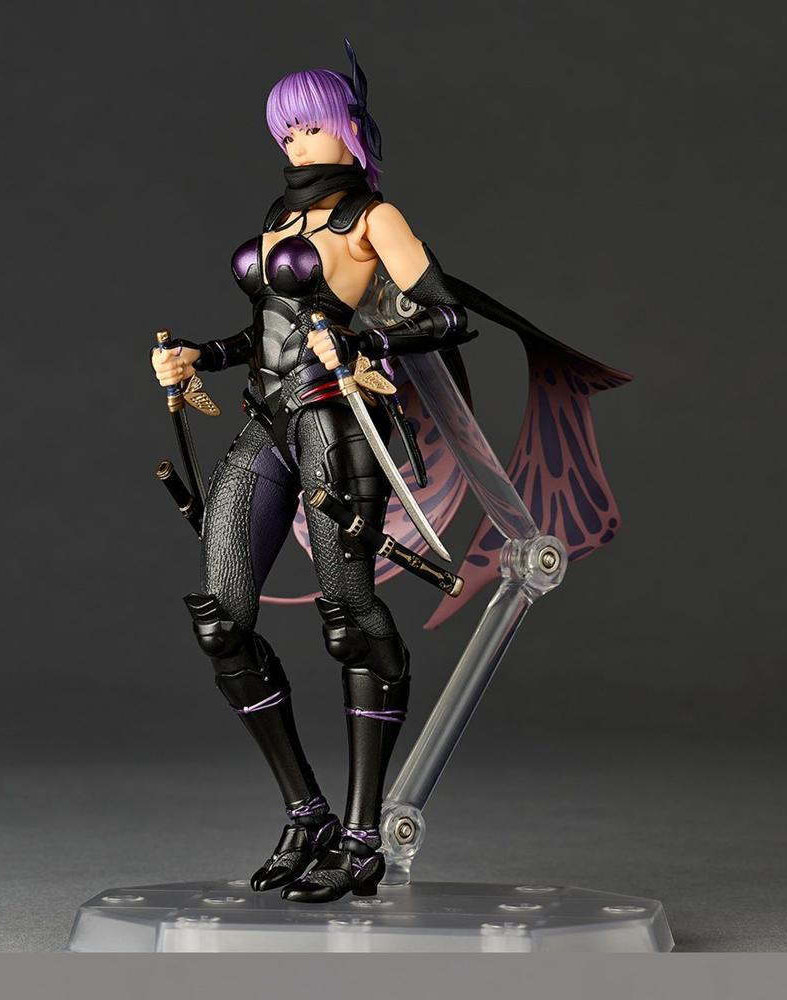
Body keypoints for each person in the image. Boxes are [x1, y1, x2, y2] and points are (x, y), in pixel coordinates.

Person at [150, 42, 475, 903]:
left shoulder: (374, 218)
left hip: (337, 427)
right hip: (265, 422)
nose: (294, 142)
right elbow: (268, 332)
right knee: (221, 621)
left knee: (351, 621)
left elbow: (447, 316)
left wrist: (365, 337)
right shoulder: (280, 214)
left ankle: (364, 838)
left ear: (347, 127)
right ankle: (309, 815)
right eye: (284, 130)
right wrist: (200, 355)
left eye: (308, 125)